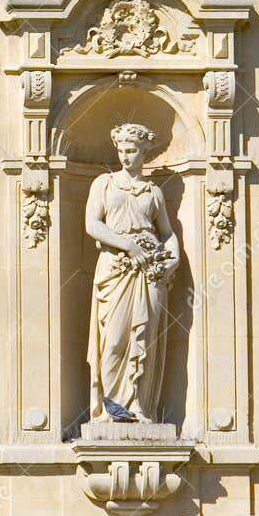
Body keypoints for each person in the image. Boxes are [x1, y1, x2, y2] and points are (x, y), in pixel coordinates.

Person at [85, 123, 179, 423]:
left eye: (132, 151)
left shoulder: (153, 192)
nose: (126, 157)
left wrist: (172, 260)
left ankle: (139, 406)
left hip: (149, 271)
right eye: (122, 151)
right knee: (113, 340)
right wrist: (127, 245)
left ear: (143, 153)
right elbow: (92, 224)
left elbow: (167, 232)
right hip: (115, 268)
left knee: (145, 338)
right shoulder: (105, 183)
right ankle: (110, 407)